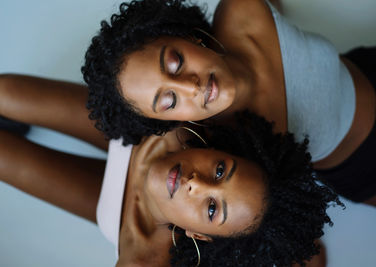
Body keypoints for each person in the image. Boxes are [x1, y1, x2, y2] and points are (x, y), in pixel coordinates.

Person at [82, 0, 376, 218]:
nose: (191, 87)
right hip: (374, 168)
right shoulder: (236, 151)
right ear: (173, 121)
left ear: (190, 37)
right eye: (169, 101)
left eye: (175, 62)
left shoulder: (241, 10)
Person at [0, 74, 339, 266]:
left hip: (114, 213)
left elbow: (315, 258)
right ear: (223, 151)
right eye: (220, 171)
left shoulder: (146, 259)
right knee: (4, 90)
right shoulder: (190, 120)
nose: (197, 184)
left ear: (200, 236)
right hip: (136, 137)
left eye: (211, 208)